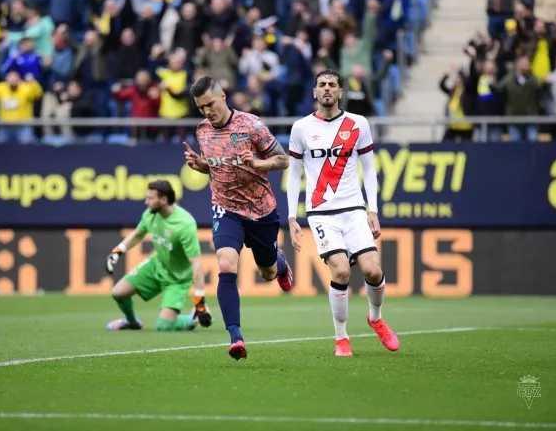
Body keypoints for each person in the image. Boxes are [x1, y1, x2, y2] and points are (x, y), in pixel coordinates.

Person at [285, 69, 400, 357]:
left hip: (353, 209)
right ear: (314, 92)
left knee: (373, 270)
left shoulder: (358, 124)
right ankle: (341, 337)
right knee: (341, 270)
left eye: (332, 85)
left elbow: (370, 170)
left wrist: (372, 210)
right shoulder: (300, 128)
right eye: (322, 84)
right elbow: (294, 173)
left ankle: (375, 318)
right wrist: (291, 217)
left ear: (340, 91)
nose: (327, 89)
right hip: (321, 212)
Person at [183, 76, 293, 361]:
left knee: (267, 272)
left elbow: (283, 160)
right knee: (226, 263)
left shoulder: (251, 125)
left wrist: (259, 163)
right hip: (225, 208)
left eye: (209, 104)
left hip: (260, 210)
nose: (206, 111)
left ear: (223, 97)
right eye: (200, 107)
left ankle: (280, 265)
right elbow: (218, 168)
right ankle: (235, 336)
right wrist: (202, 166)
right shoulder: (202, 131)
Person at [105, 180, 212, 332]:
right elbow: (137, 234)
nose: (146, 201)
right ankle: (132, 322)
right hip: (156, 266)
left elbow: (196, 263)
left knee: (164, 326)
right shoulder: (150, 214)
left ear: (163, 199)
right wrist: (117, 251)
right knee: (118, 293)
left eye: (150, 198)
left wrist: (199, 299)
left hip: (178, 279)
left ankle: (192, 318)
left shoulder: (185, 224)